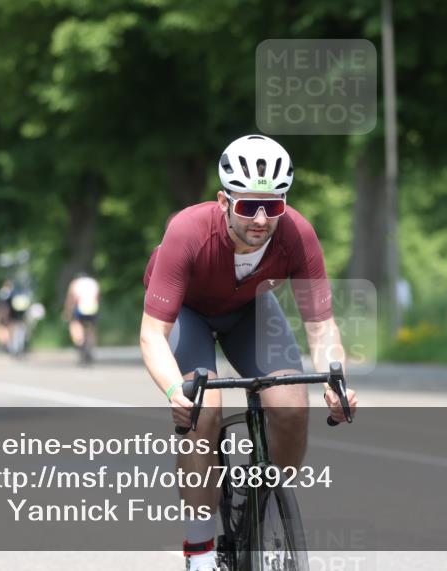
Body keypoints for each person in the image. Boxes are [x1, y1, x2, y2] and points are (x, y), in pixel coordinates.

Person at [139, 134, 358, 571]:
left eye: (273, 206)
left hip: (249, 310)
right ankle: (199, 551)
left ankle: (265, 501)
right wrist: (172, 392)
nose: (261, 219)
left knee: (292, 403)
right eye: (247, 206)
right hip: (189, 314)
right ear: (224, 201)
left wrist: (336, 382)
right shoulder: (187, 230)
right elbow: (152, 334)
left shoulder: (297, 234)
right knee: (205, 408)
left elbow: (320, 327)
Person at [64, 271, 100, 364]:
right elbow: (97, 297)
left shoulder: (75, 283)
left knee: (75, 325)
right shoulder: (93, 282)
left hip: (80, 308)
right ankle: (90, 348)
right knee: (91, 330)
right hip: (93, 308)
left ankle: (81, 344)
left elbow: (71, 298)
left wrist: (67, 311)